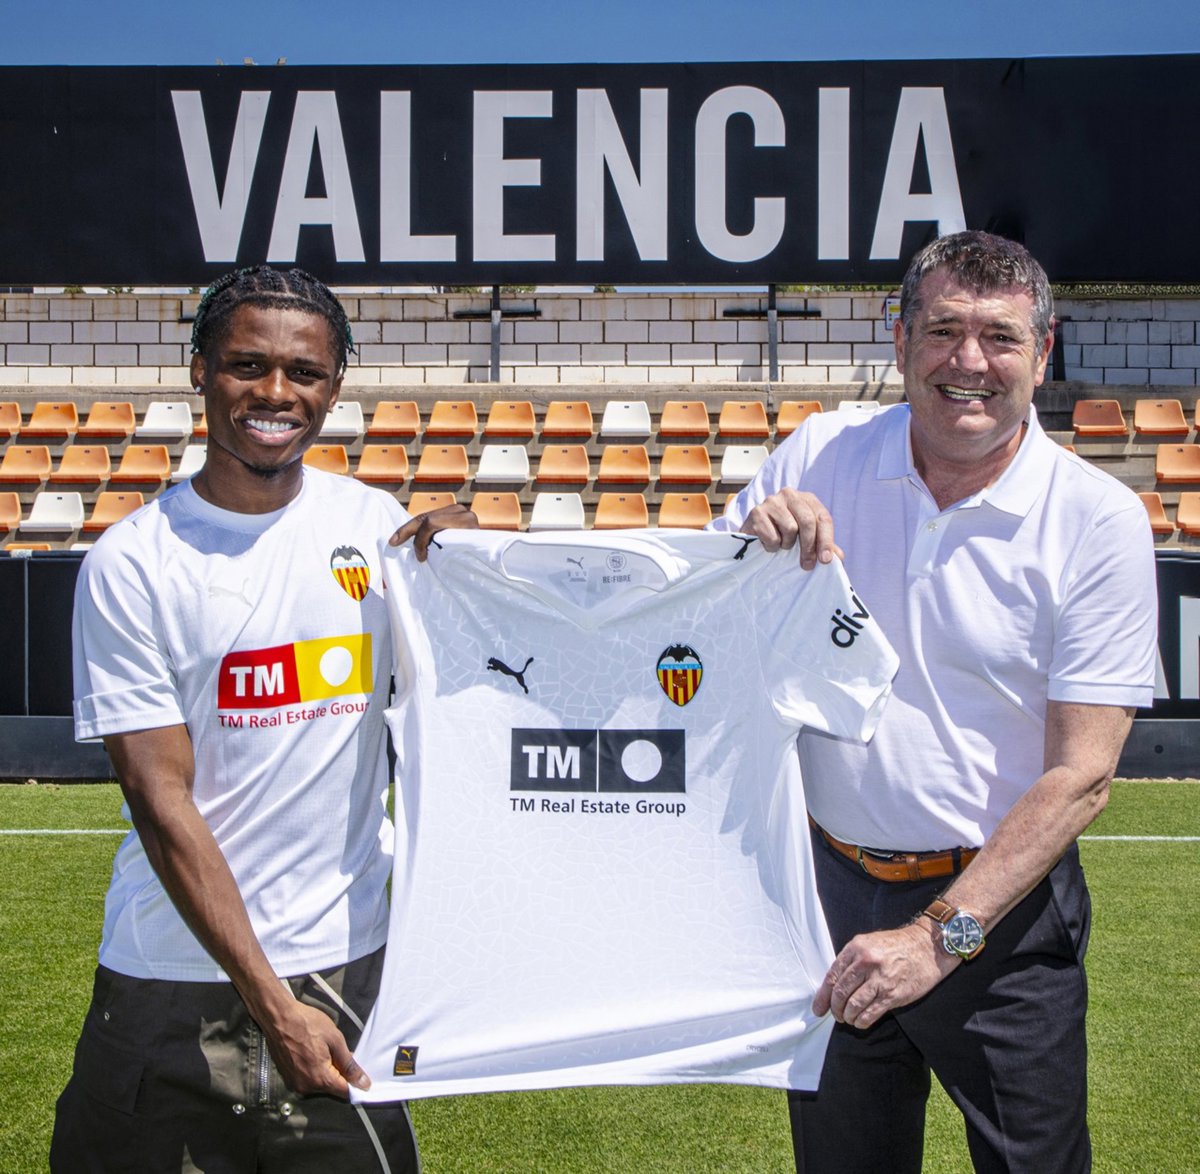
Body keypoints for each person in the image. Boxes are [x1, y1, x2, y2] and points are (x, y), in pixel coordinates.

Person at [714, 231, 1158, 1172]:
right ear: (901, 338)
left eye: (1000, 337)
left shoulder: (1097, 519)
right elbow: (702, 623)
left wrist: (936, 937)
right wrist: (754, 546)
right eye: (945, 330)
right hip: (830, 894)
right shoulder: (820, 452)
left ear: (1043, 352)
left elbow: (1082, 777)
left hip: (1001, 913)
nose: (969, 361)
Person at [52, 265, 472, 1172]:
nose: (277, 392)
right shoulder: (133, 563)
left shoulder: (378, 530)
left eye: (305, 372)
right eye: (248, 365)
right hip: (173, 979)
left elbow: (494, 695)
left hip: (343, 969)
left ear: (334, 388)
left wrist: (480, 563)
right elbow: (160, 801)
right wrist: (274, 1004)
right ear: (199, 370)